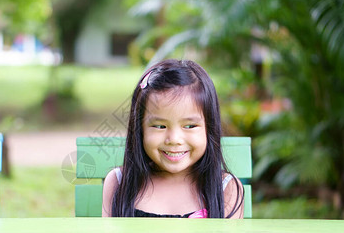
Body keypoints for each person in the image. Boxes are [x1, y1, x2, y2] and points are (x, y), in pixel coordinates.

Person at [102, 59, 244, 218]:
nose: (174, 139)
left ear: (209, 128)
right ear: (139, 129)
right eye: (160, 126)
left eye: (189, 126)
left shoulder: (225, 189)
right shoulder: (119, 183)